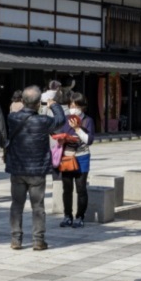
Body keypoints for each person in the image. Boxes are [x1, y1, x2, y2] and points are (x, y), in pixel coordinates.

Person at [5, 85, 65, 251]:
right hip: (37, 171)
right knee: (38, 206)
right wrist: (54, 105)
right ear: (39, 103)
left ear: (23, 101)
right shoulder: (44, 121)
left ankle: (16, 239)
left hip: (17, 169)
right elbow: (61, 120)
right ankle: (38, 240)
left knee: (16, 205)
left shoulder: (12, 118)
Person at [57, 92, 95, 229]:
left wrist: (77, 129)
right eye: (71, 106)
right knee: (67, 189)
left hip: (82, 157)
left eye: (76, 106)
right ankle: (67, 216)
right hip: (67, 157)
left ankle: (80, 217)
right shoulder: (65, 119)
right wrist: (61, 139)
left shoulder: (87, 121)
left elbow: (89, 140)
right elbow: (59, 134)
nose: (73, 109)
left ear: (82, 106)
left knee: (81, 188)